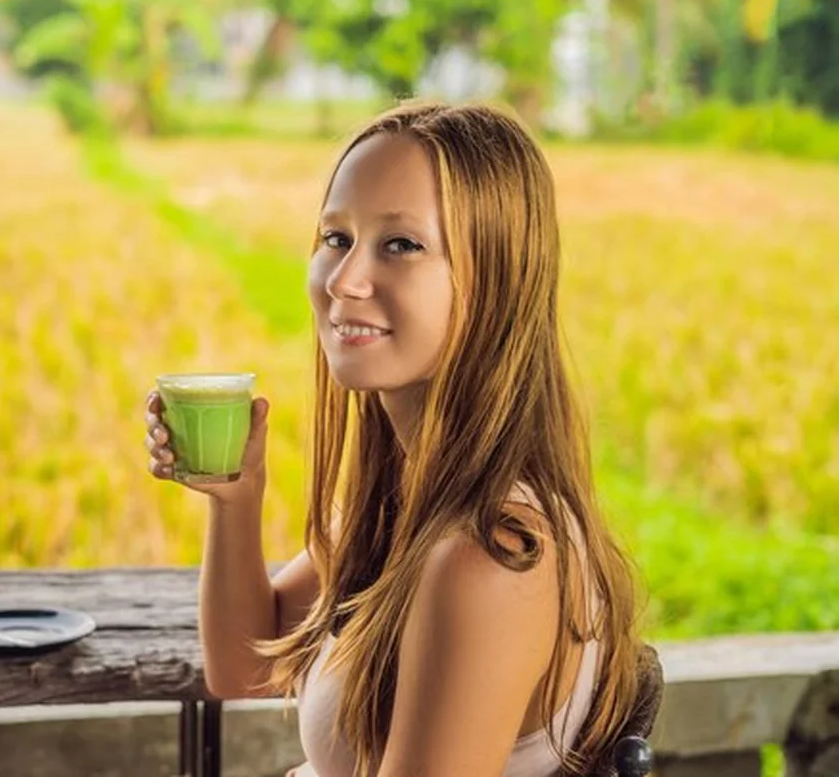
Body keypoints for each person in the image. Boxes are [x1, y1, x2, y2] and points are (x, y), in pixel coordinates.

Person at [143, 101, 643, 777]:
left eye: (401, 244)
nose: (344, 281)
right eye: (335, 238)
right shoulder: (409, 498)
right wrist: (237, 499)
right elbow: (246, 666)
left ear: (494, 279)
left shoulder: (486, 557)